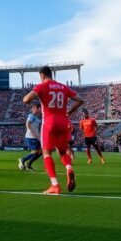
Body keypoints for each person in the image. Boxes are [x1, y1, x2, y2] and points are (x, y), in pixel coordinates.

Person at [22, 66, 84, 195]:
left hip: (49, 123)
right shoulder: (63, 87)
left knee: (46, 153)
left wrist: (38, 95)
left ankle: (55, 185)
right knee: (62, 151)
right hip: (63, 123)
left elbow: (26, 99)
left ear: (42, 75)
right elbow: (80, 100)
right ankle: (69, 168)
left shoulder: (41, 86)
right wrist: (69, 112)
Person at [18, 102, 42, 171]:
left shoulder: (36, 117)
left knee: (40, 152)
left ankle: (29, 164)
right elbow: (28, 124)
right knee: (35, 152)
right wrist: (32, 133)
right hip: (31, 137)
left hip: (36, 137)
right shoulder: (31, 116)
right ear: (34, 108)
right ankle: (23, 159)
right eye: (39, 108)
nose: (40, 110)